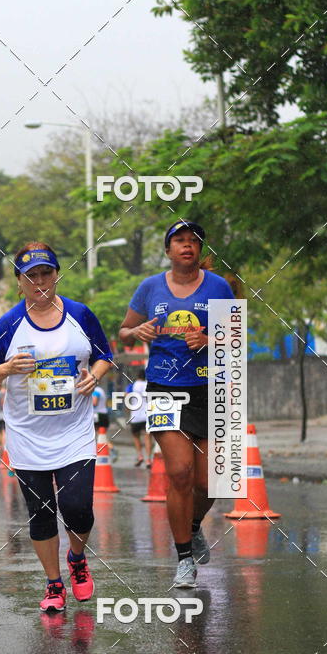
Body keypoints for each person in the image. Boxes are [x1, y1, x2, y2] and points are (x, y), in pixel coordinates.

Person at [0, 242, 113, 613]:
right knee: (41, 512)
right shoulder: (9, 324)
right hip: (28, 435)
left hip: (75, 432)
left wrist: (93, 377)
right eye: (30, 275)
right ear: (19, 282)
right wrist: (7, 369)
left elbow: (105, 355)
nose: (40, 281)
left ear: (56, 274)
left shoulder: (81, 315)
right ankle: (53, 583)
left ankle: (77, 559)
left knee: (78, 507)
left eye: (46, 273)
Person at [119, 221, 234, 588]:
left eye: (194, 241)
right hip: (164, 388)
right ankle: (184, 556)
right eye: (180, 241)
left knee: (212, 481)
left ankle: (194, 525)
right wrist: (137, 332)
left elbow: (235, 336)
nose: (187, 246)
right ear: (168, 250)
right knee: (180, 472)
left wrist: (210, 336)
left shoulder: (219, 287)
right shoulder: (150, 287)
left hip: (209, 387)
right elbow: (123, 331)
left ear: (201, 250)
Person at [128, 369, 153, 467]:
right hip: (148, 415)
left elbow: (127, 398)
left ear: (137, 376)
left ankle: (140, 456)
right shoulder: (149, 385)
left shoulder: (132, 386)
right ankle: (148, 460)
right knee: (148, 437)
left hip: (135, 416)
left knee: (136, 436)